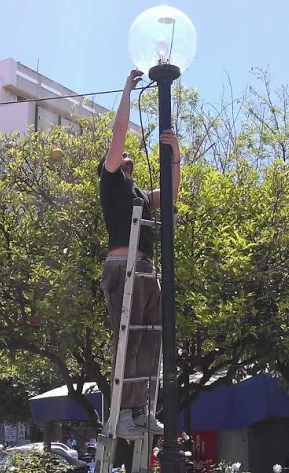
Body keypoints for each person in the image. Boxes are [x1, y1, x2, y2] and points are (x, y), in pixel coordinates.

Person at [99, 69, 181, 441]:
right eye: (122, 156)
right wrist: (127, 90)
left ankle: (141, 410)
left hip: (146, 271)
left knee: (150, 338)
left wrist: (175, 155)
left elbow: (172, 196)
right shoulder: (111, 180)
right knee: (128, 339)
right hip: (122, 267)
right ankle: (123, 415)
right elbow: (118, 136)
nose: (126, 156)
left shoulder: (143, 195)